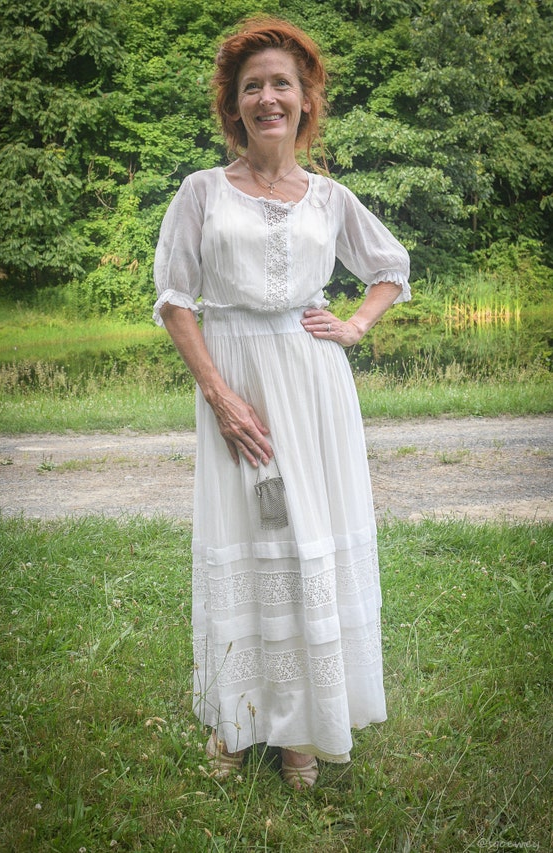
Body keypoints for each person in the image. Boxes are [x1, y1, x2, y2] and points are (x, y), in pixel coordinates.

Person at [153, 16, 410, 790]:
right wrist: (219, 394)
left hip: (312, 381)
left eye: (282, 85)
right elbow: (174, 299)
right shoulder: (201, 192)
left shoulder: (329, 199)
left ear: (305, 101)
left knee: (307, 540)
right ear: (235, 106)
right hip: (233, 374)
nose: (268, 97)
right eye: (252, 86)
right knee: (246, 531)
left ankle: (303, 727)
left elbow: (390, 265)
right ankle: (237, 723)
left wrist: (357, 322)